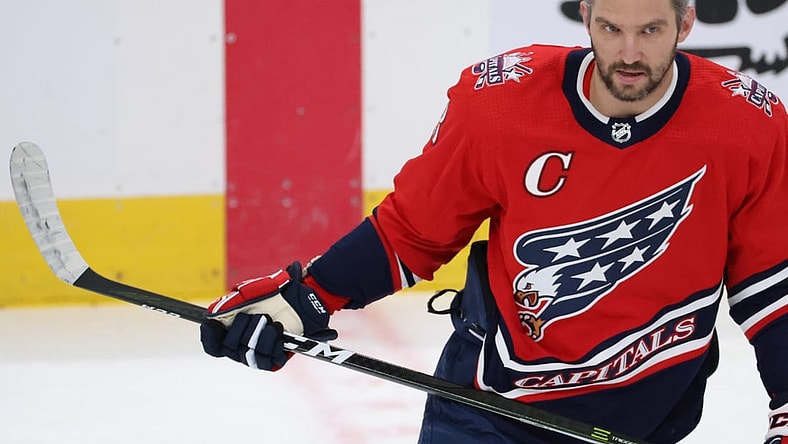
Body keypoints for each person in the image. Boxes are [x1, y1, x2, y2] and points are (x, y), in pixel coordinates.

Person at [199, 0, 788, 442]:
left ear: (685, 26)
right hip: (489, 410)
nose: (629, 53)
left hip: (646, 415)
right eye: (611, 28)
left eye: (650, 31)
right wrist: (307, 298)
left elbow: (775, 288)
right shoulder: (502, 104)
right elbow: (410, 232)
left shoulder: (746, 126)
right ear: (584, 16)